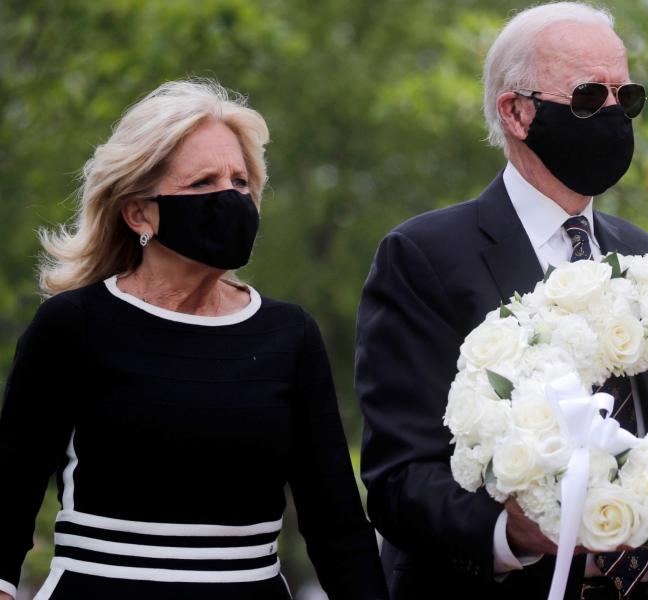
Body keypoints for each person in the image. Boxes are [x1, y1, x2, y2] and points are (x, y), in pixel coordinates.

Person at [355, 3, 648, 599]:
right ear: (517, 112)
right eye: (589, 97)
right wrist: (514, 534)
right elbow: (399, 478)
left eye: (626, 97)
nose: (613, 115)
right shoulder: (424, 257)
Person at [0, 80, 387, 600]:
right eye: (203, 182)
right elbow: (8, 497)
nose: (230, 197)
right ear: (140, 212)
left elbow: (336, 526)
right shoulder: (73, 327)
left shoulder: (289, 335)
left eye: (241, 181)